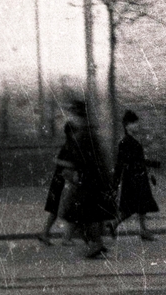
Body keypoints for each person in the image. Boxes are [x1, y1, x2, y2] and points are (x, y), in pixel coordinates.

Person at [62, 99, 116, 260]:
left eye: (74, 115)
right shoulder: (87, 132)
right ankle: (96, 243)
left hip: (91, 182)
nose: (72, 119)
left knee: (87, 213)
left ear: (79, 116)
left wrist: (73, 170)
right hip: (93, 180)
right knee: (87, 214)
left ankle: (97, 243)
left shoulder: (84, 135)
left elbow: (88, 159)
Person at [115, 110, 160, 241]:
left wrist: (149, 171)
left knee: (142, 206)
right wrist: (151, 163)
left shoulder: (132, 140)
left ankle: (143, 230)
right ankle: (113, 224)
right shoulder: (126, 142)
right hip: (133, 177)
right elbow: (130, 160)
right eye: (133, 123)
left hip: (138, 176)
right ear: (127, 126)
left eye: (136, 123)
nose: (136, 126)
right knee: (133, 207)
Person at [37, 113, 79, 244]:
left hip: (59, 180)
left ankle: (45, 233)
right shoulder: (71, 147)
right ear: (72, 133)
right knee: (71, 209)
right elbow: (68, 164)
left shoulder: (68, 145)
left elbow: (60, 162)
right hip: (64, 181)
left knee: (55, 210)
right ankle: (66, 238)